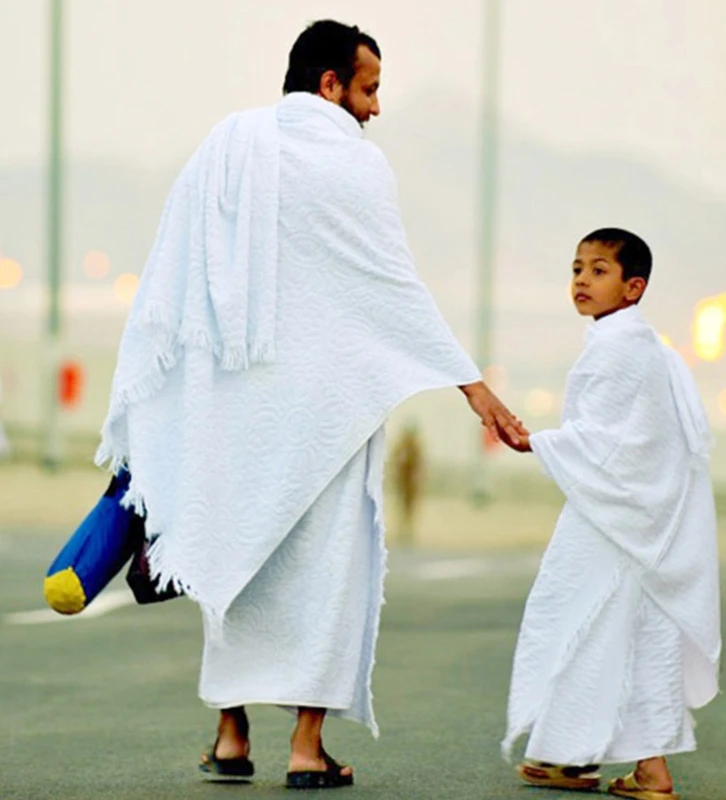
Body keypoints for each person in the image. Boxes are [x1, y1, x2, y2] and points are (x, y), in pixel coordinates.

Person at [96, 19, 526, 790]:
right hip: (328, 413)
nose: (376, 108)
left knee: (234, 561)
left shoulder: (228, 145)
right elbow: (390, 284)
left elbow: (177, 272)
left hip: (233, 408)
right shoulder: (356, 165)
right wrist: (472, 385)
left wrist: (175, 395)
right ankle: (305, 747)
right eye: (369, 89)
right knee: (327, 576)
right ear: (330, 84)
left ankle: (231, 738)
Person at [501, 229, 721, 800]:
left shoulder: (618, 347)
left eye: (599, 270)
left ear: (633, 287)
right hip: (636, 517)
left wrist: (536, 443)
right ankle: (578, 759)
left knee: (582, 622)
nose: (581, 280)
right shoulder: (640, 344)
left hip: (613, 518)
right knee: (616, 629)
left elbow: (612, 444)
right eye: (577, 268)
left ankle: (636, 768)